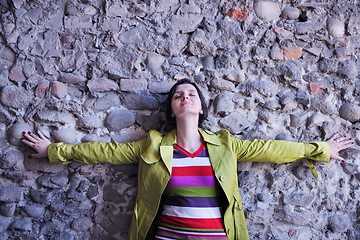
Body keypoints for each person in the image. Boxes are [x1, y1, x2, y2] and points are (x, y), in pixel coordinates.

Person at [21, 79, 354, 240]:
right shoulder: (152, 146)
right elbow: (104, 152)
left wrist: (320, 149)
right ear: (172, 108)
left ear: (201, 107)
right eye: (178, 95)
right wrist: (53, 150)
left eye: (191, 93)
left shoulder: (226, 145)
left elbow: (272, 149)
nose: (185, 97)